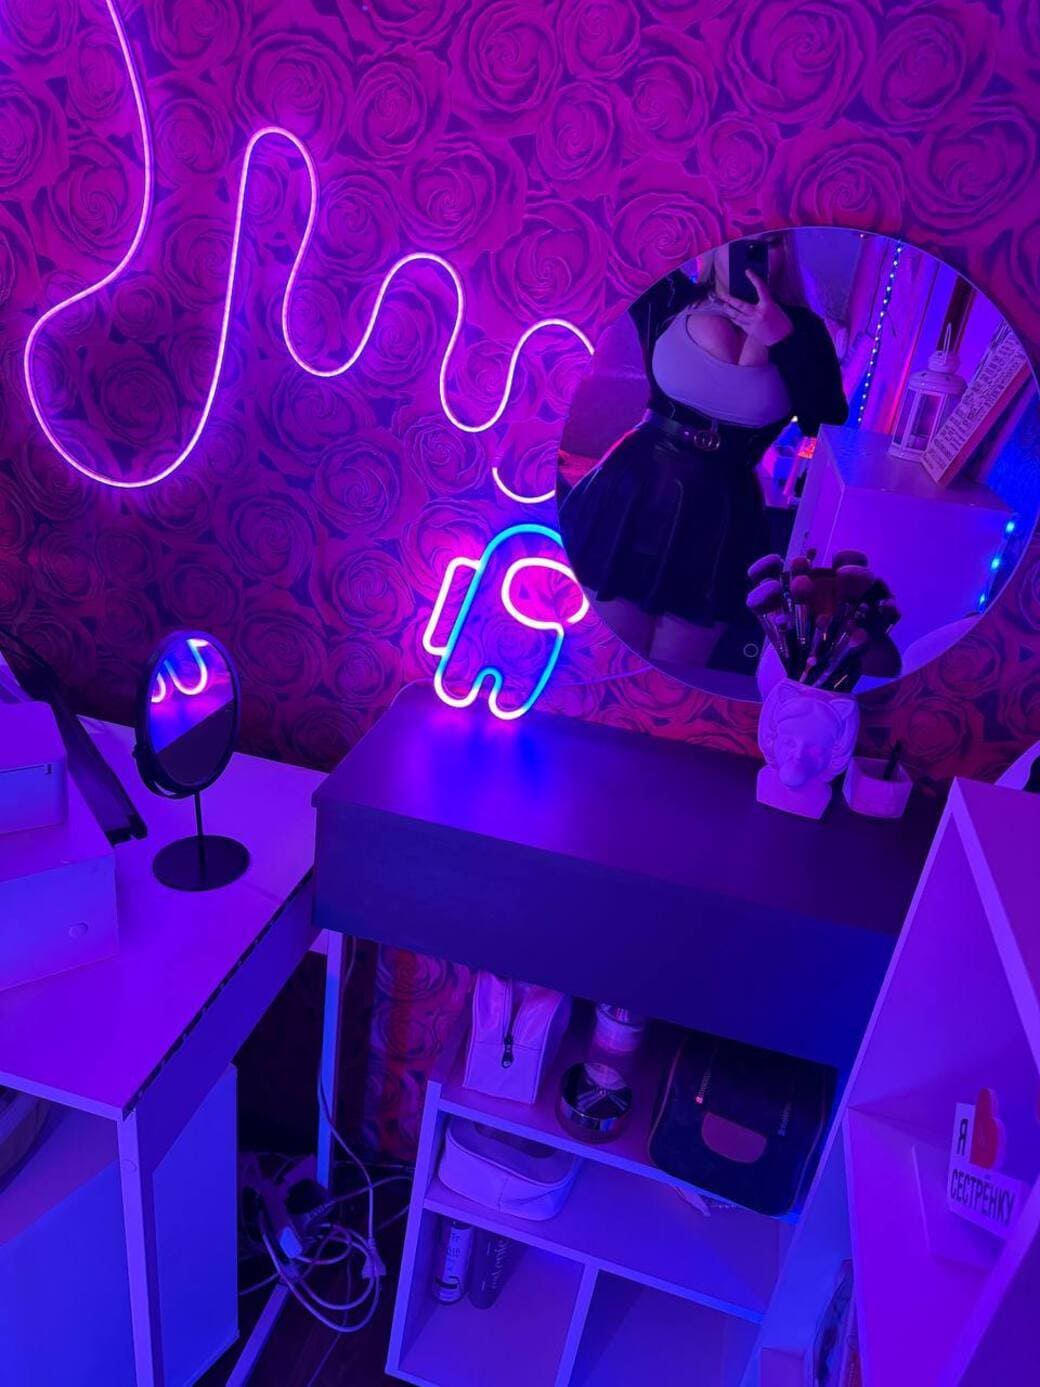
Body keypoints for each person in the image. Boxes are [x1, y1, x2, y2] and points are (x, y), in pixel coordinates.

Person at [558, 233, 848, 670]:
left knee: (676, 670)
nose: (752, 253)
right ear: (713, 244)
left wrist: (784, 340)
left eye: (769, 242)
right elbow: (615, 242)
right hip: (634, 494)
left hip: (723, 517)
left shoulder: (804, 330)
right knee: (606, 658)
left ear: (786, 251)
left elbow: (826, 420)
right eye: (738, 238)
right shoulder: (670, 296)